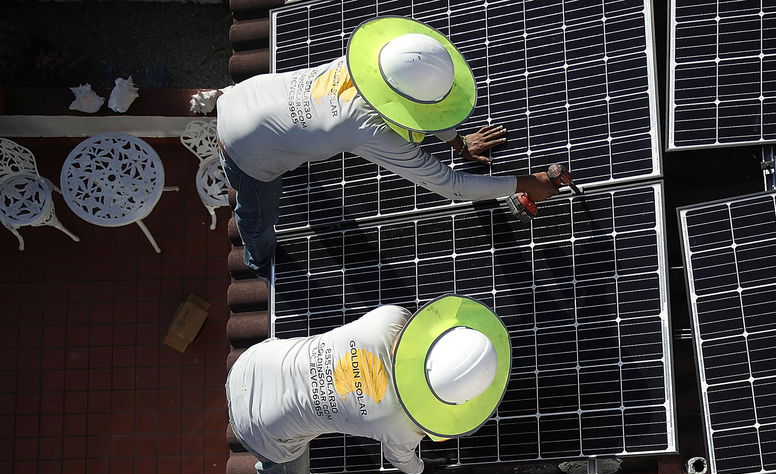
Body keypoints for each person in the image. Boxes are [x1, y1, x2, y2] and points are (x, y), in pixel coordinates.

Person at [212, 16, 558, 278]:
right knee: (258, 213)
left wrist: (460, 142)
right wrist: (523, 183)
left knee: (299, 137)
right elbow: (451, 186)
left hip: (249, 95)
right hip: (242, 147)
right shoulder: (369, 128)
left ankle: (288, 147)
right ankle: (257, 259)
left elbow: (422, 105)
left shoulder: (374, 60)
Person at [226, 296, 511, 474]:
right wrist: (422, 468)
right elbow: (401, 460)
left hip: (253, 362)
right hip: (258, 425)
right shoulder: (401, 424)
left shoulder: (392, 317)